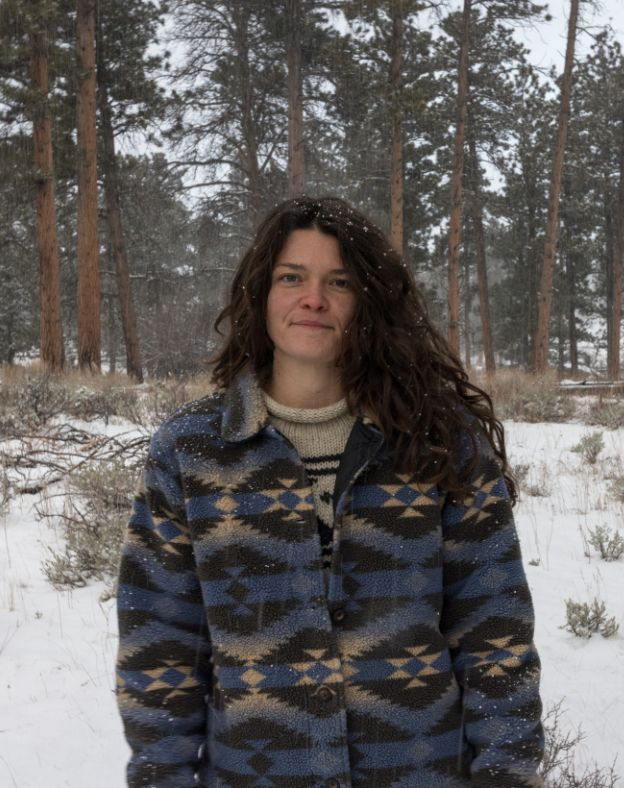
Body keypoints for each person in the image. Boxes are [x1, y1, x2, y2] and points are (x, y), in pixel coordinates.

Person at [116, 196, 544, 788]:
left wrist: (507, 775)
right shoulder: (192, 451)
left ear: (369, 301)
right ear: (261, 295)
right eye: (292, 277)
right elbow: (159, 648)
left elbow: (496, 636)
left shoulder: (439, 441)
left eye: (338, 282)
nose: (313, 299)